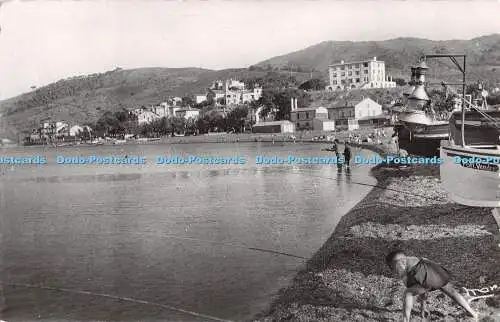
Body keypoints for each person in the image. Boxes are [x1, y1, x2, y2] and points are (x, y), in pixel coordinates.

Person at [386, 250, 478, 322]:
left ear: (394, 262)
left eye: (392, 267)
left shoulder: (399, 263)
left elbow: (419, 282)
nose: (393, 270)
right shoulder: (413, 259)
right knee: (452, 292)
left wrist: (422, 304)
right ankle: (472, 313)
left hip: (427, 277)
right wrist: (423, 305)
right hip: (435, 272)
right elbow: (421, 280)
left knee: (408, 293)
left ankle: (405, 320)